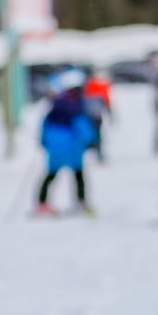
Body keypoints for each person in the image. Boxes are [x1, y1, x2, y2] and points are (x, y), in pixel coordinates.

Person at [35, 69, 96, 215]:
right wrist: (90, 142)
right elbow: (83, 127)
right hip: (72, 147)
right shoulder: (77, 107)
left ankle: (42, 203)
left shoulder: (55, 106)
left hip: (55, 146)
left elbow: (45, 125)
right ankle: (81, 201)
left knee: (50, 175)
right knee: (78, 175)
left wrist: (44, 141)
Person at [82, 71, 113, 161]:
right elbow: (106, 101)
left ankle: (91, 152)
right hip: (96, 115)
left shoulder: (86, 86)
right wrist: (110, 113)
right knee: (97, 135)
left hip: (89, 115)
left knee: (90, 135)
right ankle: (98, 153)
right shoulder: (101, 86)